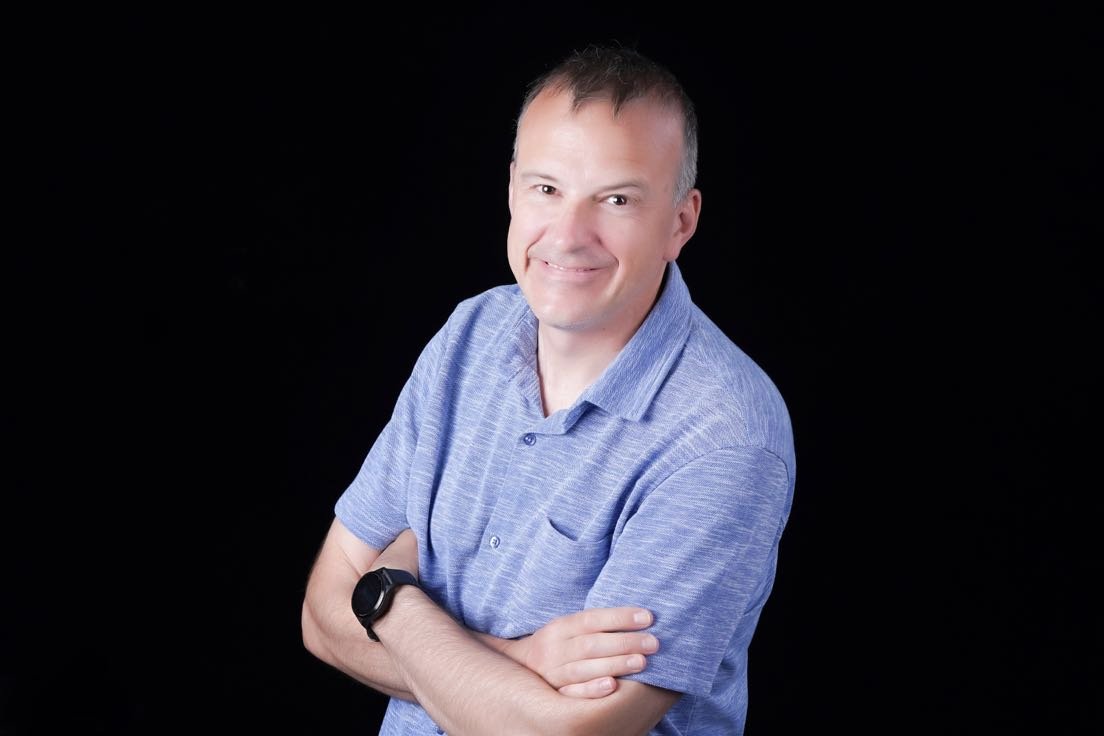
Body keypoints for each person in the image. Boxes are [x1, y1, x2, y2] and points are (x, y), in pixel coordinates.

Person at [301, 43, 796, 735]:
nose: (568, 236)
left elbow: (561, 731)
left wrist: (387, 597)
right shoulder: (470, 336)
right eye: (546, 189)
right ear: (511, 190)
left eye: (616, 199)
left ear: (680, 222)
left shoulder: (723, 436)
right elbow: (321, 617)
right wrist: (516, 659)